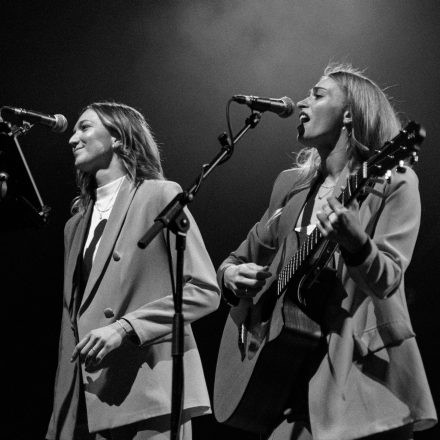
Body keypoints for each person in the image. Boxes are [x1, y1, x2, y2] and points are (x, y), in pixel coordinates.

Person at [217, 64, 437, 440]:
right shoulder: (291, 187)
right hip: (292, 386)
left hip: (365, 379)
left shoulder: (393, 180)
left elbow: (387, 280)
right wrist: (230, 276)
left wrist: (357, 244)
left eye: (318, 95)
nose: (302, 101)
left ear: (350, 113)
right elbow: (238, 258)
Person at [46, 102, 220, 440]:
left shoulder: (159, 195)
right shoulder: (75, 225)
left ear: (118, 138)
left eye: (85, 127)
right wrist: (61, 416)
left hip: (151, 389)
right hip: (95, 397)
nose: (72, 138)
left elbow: (204, 291)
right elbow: (71, 325)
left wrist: (125, 328)